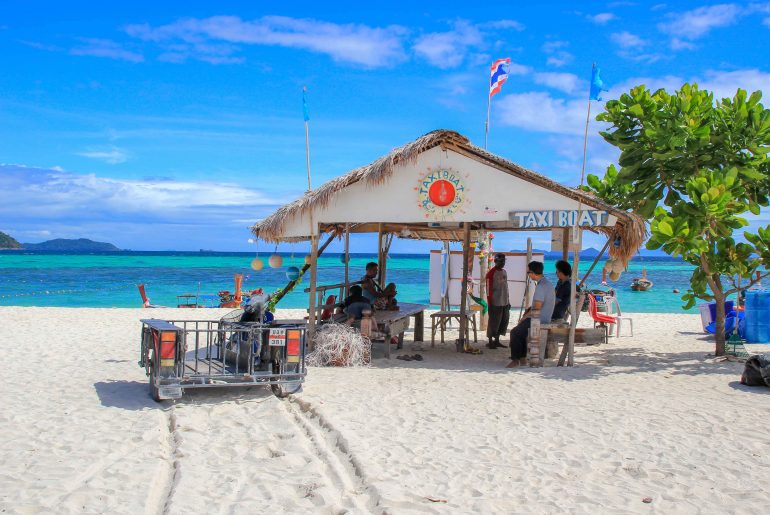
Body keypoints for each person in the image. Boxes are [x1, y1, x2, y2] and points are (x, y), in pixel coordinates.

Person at [507, 261, 555, 367]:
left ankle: (515, 360)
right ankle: (522, 358)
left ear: (533, 272)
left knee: (515, 332)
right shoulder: (546, 283)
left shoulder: (541, 286)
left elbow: (537, 308)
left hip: (539, 319)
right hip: (544, 317)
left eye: (528, 272)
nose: (528, 274)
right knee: (520, 331)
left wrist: (524, 318)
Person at [485, 253, 510, 349]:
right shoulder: (491, 273)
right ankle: (490, 341)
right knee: (493, 322)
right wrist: (490, 303)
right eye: (500, 261)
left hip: (505, 301)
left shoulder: (504, 272)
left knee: (503, 321)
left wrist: (508, 300)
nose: (502, 263)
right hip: (495, 302)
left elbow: (506, 287)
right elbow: (488, 290)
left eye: (503, 261)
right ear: (495, 262)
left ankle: (497, 341)